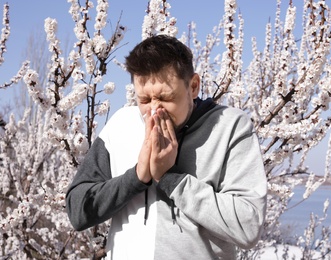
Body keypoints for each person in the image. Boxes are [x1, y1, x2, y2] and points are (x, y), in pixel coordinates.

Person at [66, 35, 267, 260]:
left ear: (193, 86)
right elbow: (77, 211)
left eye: (165, 98)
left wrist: (171, 178)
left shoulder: (230, 127)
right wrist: (136, 178)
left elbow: (248, 227)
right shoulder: (120, 124)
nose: (154, 110)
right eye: (143, 100)